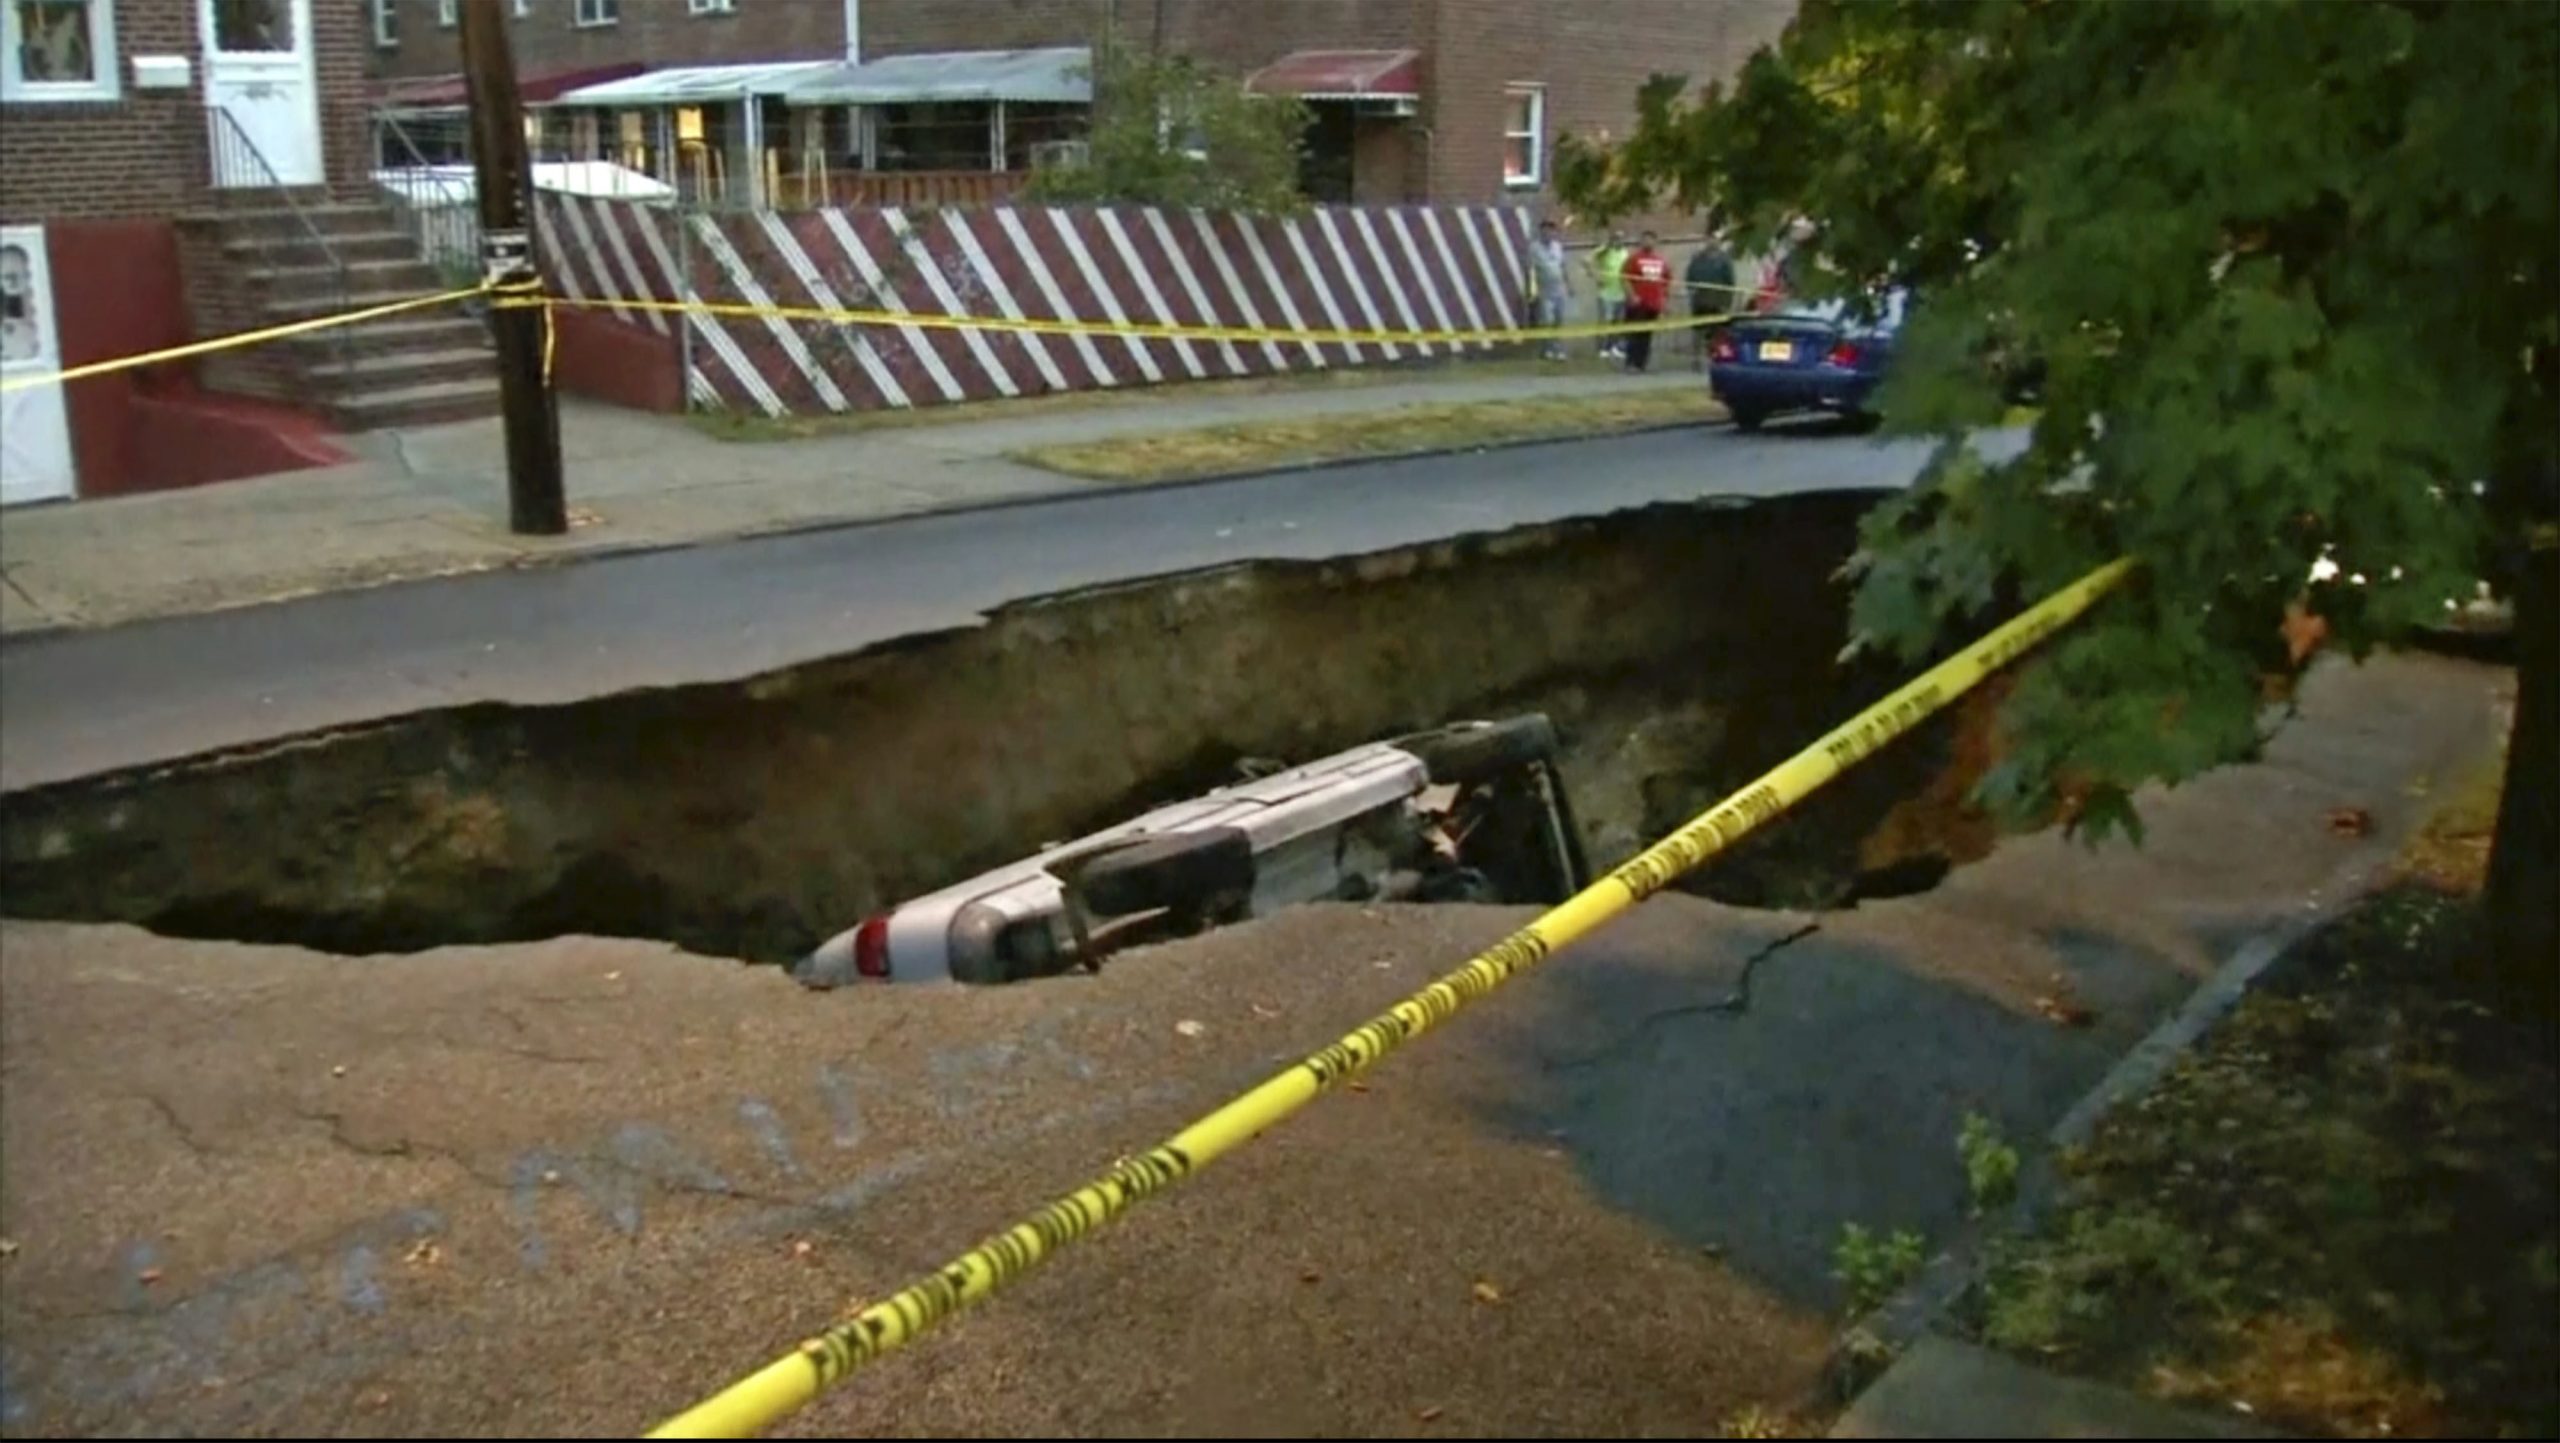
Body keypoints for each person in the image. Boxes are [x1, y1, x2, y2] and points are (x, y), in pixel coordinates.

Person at [1683, 221, 1738, 368]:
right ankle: (1696, 359)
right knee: (1698, 332)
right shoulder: (1697, 259)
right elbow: (1690, 277)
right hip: (1700, 302)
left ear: (1719, 241)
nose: (1712, 242)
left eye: (1714, 239)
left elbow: (1730, 283)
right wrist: (1692, 292)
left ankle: (1714, 357)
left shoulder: (1724, 260)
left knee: (1717, 332)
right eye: (1709, 239)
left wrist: (1726, 303)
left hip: (1717, 302)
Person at [1619, 231, 1671, 373]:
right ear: (1641, 242)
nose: (1648, 242)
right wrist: (1631, 296)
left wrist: (1664, 302)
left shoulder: (1661, 261)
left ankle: (1641, 364)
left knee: (1646, 335)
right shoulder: (1634, 259)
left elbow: (1666, 282)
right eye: (1645, 239)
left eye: (1651, 239)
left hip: (1653, 305)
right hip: (1637, 304)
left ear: (1655, 242)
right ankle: (1631, 363)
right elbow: (1624, 278)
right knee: (1635, 333)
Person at [1526, 219, 1570, 361]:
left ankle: (1558, 349)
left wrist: (1569, 285)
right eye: (1544, 231)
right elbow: (1531, 270)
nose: (1547, 234)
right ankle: (1547, 349)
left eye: (1550, 231)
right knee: (1547, 321)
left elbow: (1563, 266)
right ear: (1541, 232)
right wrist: (1532, 290)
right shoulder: (1534, 248)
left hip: (1560, 289)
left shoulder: (1557, 246)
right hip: (1545, 290)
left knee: (1559, 320)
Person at [1588, 230, 1630, 360]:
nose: (1618, 241)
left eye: (1620, 238)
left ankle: (1614, 347)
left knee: (1618, 322)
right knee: (1605, 321)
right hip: (1606, 294)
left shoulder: (1625, 253)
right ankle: (1602, 348)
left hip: (1621, 293)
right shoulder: (1604, 251)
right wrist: (1595, 276)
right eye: (1615, 238)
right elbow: (1586, 260)